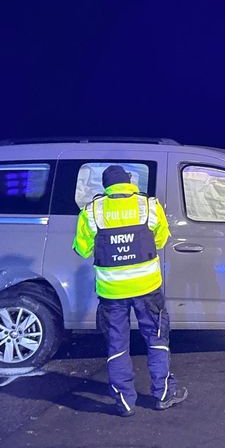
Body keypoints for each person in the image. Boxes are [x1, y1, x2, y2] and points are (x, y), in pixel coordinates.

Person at [72, 165, 188, 417]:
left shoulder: (92, 212)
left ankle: (124, 401)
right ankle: (163, 393)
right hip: (147, 288)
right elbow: (160, 239)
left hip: (112, 291)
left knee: (116, 343)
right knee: (156, 339)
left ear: (106, 186)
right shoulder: (148, 206)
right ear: (129, 182)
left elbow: (81, 248)